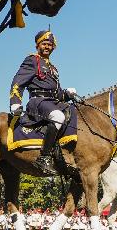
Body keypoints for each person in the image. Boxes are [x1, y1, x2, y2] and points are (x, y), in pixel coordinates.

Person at [9, 30, 78, 175]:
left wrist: (66, 93)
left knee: (74, 111)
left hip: (52, 102)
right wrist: (15, 102)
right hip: (37, 102)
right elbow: (18, 82)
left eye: (50, 45)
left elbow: (56, 93)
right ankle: (44, 157)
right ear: (37, 45)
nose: (47, 47)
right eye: (44, 44)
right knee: (58, 117)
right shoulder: (32, 60)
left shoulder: (53, 68)